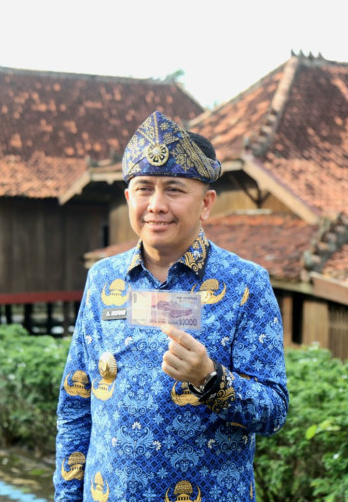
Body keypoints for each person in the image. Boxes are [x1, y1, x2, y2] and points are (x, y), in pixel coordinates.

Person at [54, 111, 288, 501]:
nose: (156, 205)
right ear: (129, 197)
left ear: (206, 203)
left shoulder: (246, 285)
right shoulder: (103, 281)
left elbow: (273, 410)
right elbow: (76, 403)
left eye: (175, 190)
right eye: (144, 188)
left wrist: (210, 379)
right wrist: (66, 495)